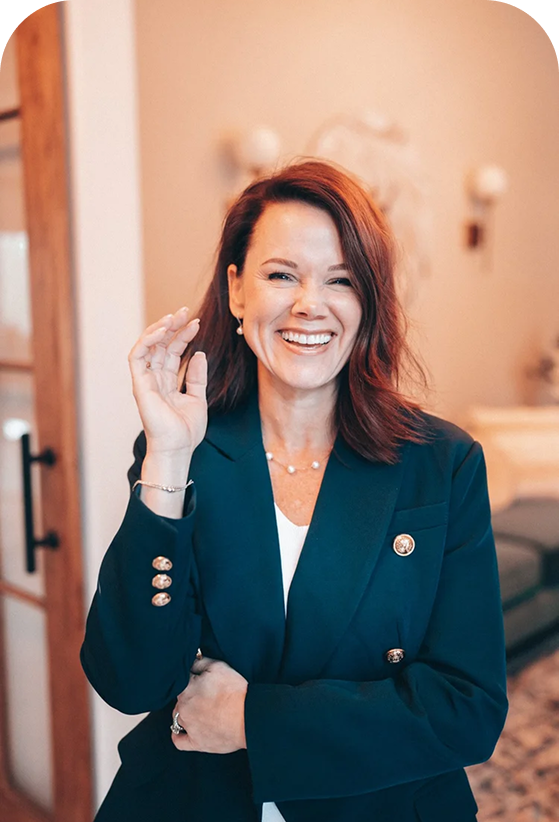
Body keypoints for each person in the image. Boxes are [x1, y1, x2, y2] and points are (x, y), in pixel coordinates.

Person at [81, 160, 508, 822]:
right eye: (281, 274)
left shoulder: (441, 464)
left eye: (340, 280)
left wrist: (254, 718)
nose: (310, 304)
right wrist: (166, 457)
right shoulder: (185, 450)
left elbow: (467, 708)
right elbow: (129, 680)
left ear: (367, 303)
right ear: (235, 290)